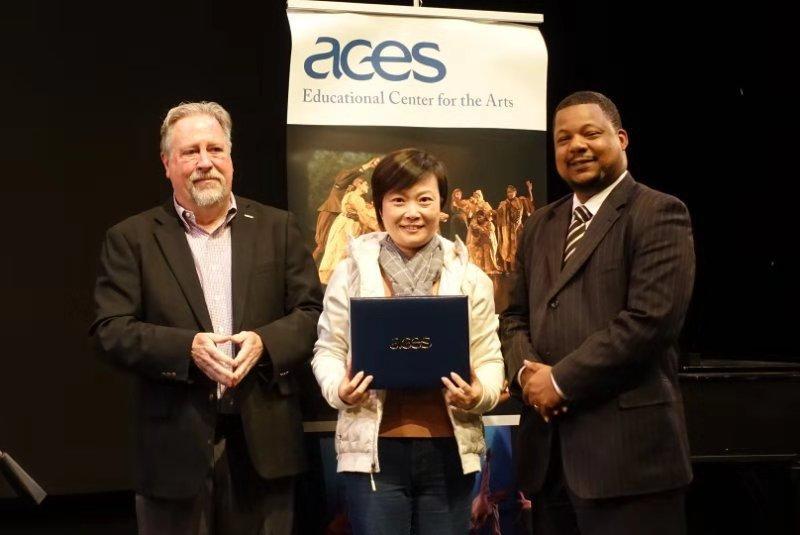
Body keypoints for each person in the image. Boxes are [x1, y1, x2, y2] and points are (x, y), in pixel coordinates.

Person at [90, 101, 323, 535]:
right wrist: (186, 348)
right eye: (189, 152)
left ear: (230, 158)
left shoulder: (278, 227)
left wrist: (266, 342)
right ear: (167, 164)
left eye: (214, 149)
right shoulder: (131, 238)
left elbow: (312, 314)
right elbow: (110, 330)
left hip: (265, 448)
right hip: (172, 450)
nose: (204, 163)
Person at [500, 91, 695, 535]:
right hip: (549, 464)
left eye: (591, 134)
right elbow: (513, 317)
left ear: (621, 138)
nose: (576, 147)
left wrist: (560, 381)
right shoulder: (539, 225)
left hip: (629, 463)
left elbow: (650, 322)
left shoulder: (658, 212)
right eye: (563, 139)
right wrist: (529, 375)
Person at [311, 148, 505, 535]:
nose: (411, 212)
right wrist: (340, 389)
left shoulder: (471, 279)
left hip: (450, 451)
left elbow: (489, 359)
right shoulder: (349, 273)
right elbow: (328, 349)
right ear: (380, 207)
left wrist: (478, 392)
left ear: (442, 207)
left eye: (424, 199)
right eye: (398, 200)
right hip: (373, 455)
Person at [313, 157, 380, 262]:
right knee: (323, 246)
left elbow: (360, 208)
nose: (360, 181)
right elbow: (348, 176)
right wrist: (366, 166)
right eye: (358, 179)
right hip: (331, 214)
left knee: (339, 248)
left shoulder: (354, 194)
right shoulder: (339, 185)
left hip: (343, 222)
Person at [317, 177, 379, 284]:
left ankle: (341, 280)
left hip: (344, 224)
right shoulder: (356, 198)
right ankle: (341, 282)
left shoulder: (351, 196)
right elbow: (365, 215)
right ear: (359, 185)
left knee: (340, 253)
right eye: (366, 184)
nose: (368, 187)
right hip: (348, 227)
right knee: (343, 253)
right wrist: (380, 227)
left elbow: (362, 209)